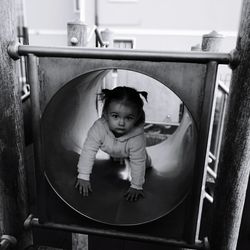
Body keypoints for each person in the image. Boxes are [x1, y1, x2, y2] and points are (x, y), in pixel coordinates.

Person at [75, 86, 151, 202]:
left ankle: (142, 159)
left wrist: (136, 186)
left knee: (143, 162)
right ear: (105, 114)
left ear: (137, 117)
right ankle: (116, 157)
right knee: (114, 158)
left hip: (129, 151)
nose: (121, 123)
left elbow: (138, 161)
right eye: (115, 116)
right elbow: (88, 150)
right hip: (111, 147)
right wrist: (83, 176)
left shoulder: (137, 137)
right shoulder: (99, 128)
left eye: (129, 118)